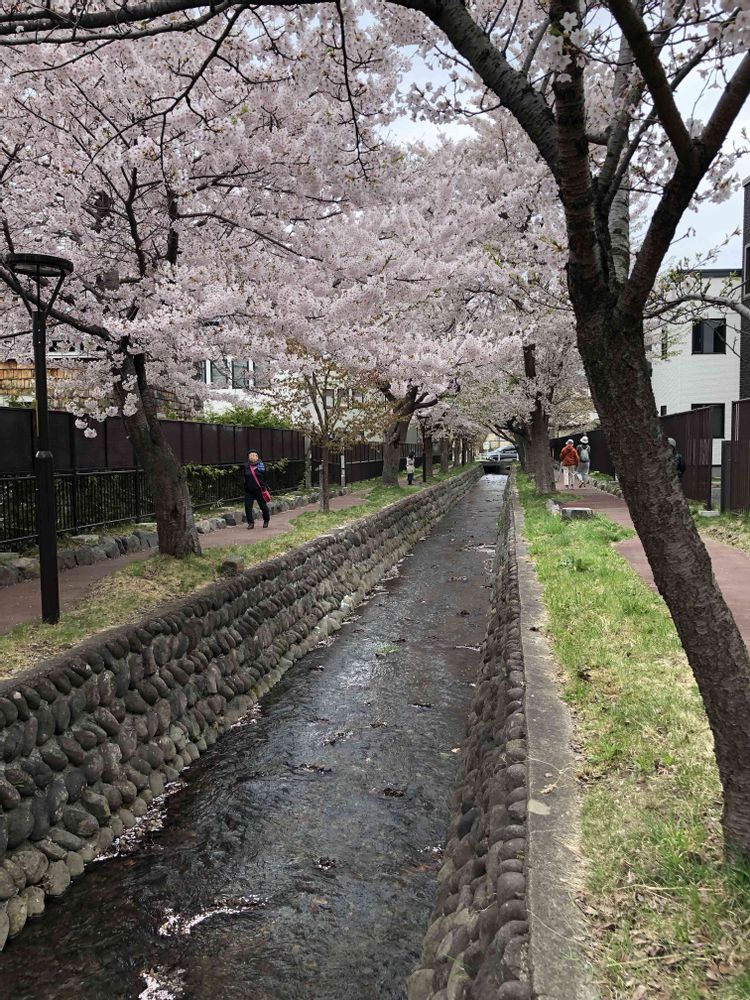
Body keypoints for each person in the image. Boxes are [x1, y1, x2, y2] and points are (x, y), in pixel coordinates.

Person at [243, 451, 271, 529]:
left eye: (254, 455)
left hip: (259, 490)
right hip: (249, 490)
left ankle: (266, 520)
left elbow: (265, 477)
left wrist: (264, 486)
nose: (252, 457)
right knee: (248, 507)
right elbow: (244, 476)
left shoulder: (261, 465)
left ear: (257, 456)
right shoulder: (246, 466)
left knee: (263, 506)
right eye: (250, 455)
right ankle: (251, 523)